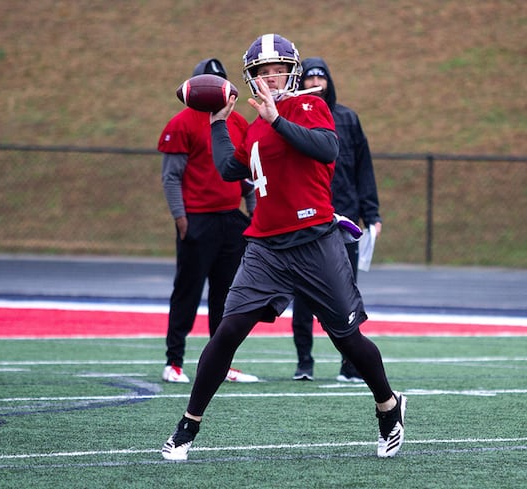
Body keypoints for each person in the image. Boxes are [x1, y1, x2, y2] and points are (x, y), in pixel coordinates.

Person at [161, 34, 406, 461]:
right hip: (266, 247)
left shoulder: (310, 106)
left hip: (314, 240)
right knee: (228, 331)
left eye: (277, 70)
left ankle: (388, 406)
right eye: (261, 72)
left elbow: (327, 147)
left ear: (291, 72)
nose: (270, 78)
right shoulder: (254, 122)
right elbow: (227, 168)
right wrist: (219, 120)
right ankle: (187, 428)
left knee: (346, 338)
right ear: (251, 77)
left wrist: (277, 120)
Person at [158, 58, 258, 384]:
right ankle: (174, 361)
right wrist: (180, 217)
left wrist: (255, 212)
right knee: (187, 291)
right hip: (197, 218)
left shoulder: (239, 122)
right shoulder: (181, 123)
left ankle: (222, 364)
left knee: (227, 295)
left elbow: (247, 175)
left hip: (230, 219)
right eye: (208, 82)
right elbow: (171, 177)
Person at [291, 57, 382, 382]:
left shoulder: (347, 119)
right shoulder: (292, 117)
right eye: (309, 77)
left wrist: (371, 213)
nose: (315, 82)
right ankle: (304, 362)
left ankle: (349, 364)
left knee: (346, 293)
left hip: (344, 220)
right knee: (302, 293)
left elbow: (363, 169)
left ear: (329, 80)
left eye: (321, 77)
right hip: (307, 218)